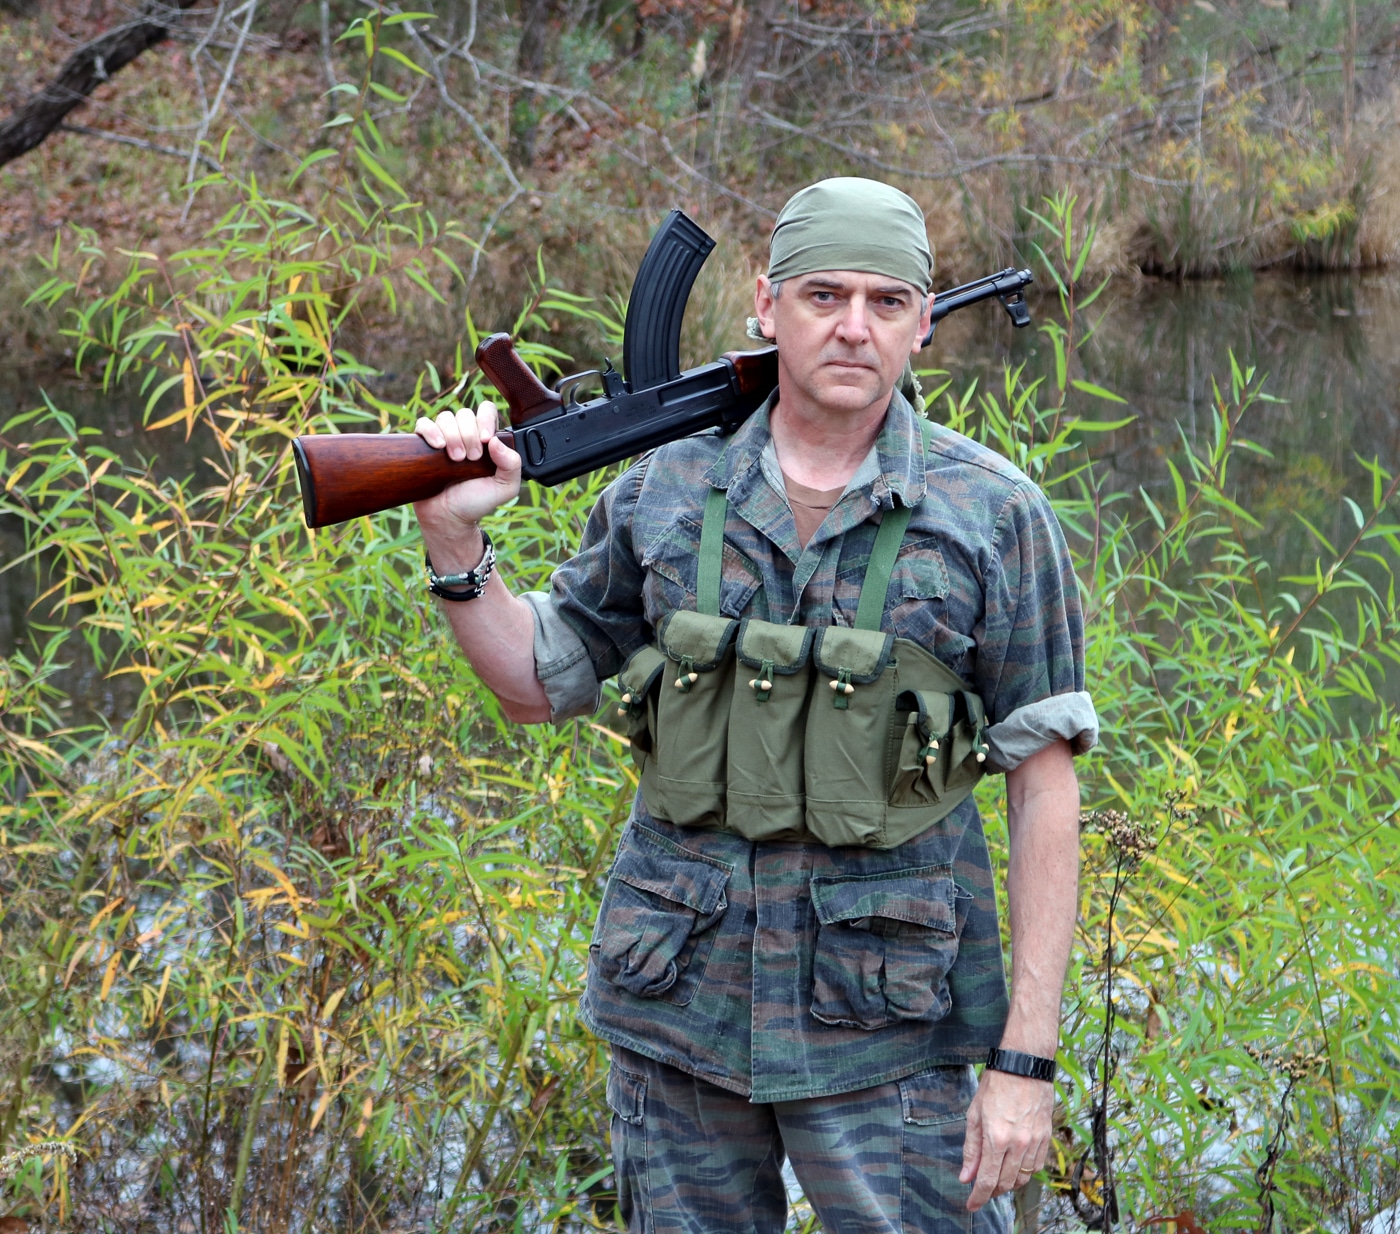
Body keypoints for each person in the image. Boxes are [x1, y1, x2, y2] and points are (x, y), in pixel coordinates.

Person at [412, 177, 1096, 1234]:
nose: (854, 327)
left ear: (922, 324)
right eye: (824, 295)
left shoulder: (994, 515)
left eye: (884, 301)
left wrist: (1025, 1062)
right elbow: (535, 682)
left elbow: (1044, 790)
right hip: (678, 1014)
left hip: (889, 1029)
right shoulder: (661, 488)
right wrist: (454, 540)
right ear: (766, 307)